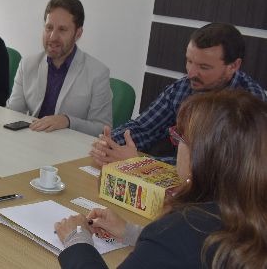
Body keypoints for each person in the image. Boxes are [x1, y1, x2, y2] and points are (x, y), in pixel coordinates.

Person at [55, 90, 267, 268]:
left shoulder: (183, 228)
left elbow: (182, 245)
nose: (177, 146)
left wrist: (77, 239)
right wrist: (132, 233)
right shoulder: (249, 214)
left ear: (202, 157)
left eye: (179, 138)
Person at [91, 22, 265, 165]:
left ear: (233, 66)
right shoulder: (184, 87)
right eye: (189, 61)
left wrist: (139, 162)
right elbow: (144, 128)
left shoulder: (250, 104)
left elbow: (213, 169)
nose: (191, 73)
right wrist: (109, 144)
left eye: (204, 67)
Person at [6, 0, 111, 136]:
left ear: (78, 33)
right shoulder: (27, 64)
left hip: (69, 150)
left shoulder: (97, 73)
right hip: (30, 142)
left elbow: (102, 129)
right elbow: (12, 113)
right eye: (49, 28)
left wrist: (67, 121)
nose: (52, 37)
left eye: (62, 30)